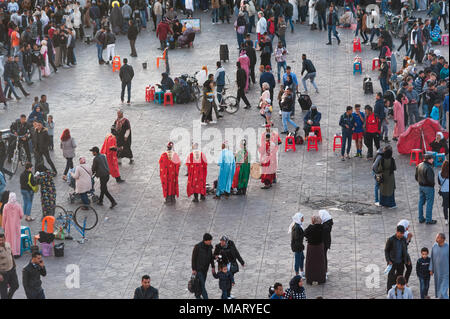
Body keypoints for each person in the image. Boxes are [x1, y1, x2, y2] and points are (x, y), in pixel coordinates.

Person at [384, 225, 408, 293]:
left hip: (400, 262)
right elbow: (386, 251)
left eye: (403, 233)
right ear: (397, 232)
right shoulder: (391, 240)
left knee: (400, 276)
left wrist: (407, 259)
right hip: (392, 262)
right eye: (401, 233)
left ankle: (398, 290)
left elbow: (405, 249)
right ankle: (389, 291)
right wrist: (388, 260)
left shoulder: (403, 239)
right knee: (390, 277)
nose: (402, 235)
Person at [192, 233, 215, 300]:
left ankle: (197, 296)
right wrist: (193, 269)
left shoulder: (210, 247)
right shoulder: (197, 247)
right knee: (202, 285)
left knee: (200, 284)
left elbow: (211, 257)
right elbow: (193, 258)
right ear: (205, 240)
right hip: (198, 270)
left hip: (205, 270)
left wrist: (213, 266)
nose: (211, 242)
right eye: (210, 240)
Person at [304, 215, 326, 285]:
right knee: (320, 263)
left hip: (311, 248)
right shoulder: (323, 228)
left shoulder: (310, 228)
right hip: (319, 248)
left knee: (311, 263)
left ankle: (310, 279)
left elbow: (305, 233)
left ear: (313, 221)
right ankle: (320, 279)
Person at [415, 154, 437, 224]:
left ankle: (420, 218)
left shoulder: (419, 165)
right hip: (428, 187)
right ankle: (428, 219)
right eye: (432, 159)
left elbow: (416, 177)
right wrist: (433, 185)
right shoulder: (429, 168)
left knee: (421, 202)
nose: (433, 160)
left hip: (421, 186)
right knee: (429, 203)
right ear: (429, 159)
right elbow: (430, 180)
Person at [1, 193, 23, 258]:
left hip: (8, 226)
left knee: (8, 239)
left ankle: (10, 252)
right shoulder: (18, 206)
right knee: (16, 238)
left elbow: (4, 217)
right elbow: (21, 215)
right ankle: (16, 253)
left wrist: (3, 226)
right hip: (16, 226)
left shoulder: (6, 206)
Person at [429, 233, 449, 299]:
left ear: (443, 239)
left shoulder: (448, 247)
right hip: (437, 272)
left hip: (446, 272)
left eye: (438, 238)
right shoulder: (434, 246)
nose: (436, 239)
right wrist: (431, 269)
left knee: (443, 289)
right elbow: (431, 258)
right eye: (436, 237)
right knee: (438, 286)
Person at [0, 232, 19, 299]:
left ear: (5, 239)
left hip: (12, 270)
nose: (1, 241)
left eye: (2, 240)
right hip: (3, 273)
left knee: (15, 285)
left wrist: (14, 264)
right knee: (3, 292)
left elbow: (11, 254)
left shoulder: (8, 244)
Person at [289, 212, 305, 277]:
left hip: (299, 246)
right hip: (297, 246)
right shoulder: (297, 227)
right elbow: (297, 238)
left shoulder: (298, 225)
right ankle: (297, 274)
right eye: (302, 218)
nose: (303, 219)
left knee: (302, 258)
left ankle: (301, 271)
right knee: (297, 260)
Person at [319, 210, 333, 279]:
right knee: (324, 256)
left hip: (324, 243)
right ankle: (325, 270)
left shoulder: (325, 226)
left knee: (323, 256)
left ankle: (325, 272)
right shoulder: (327, 222)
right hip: (326, 242)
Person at [437, 160, 449, 225]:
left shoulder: (439, 173)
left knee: (445, 206)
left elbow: (439, 182)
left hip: (444, 192)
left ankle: (446, 219)